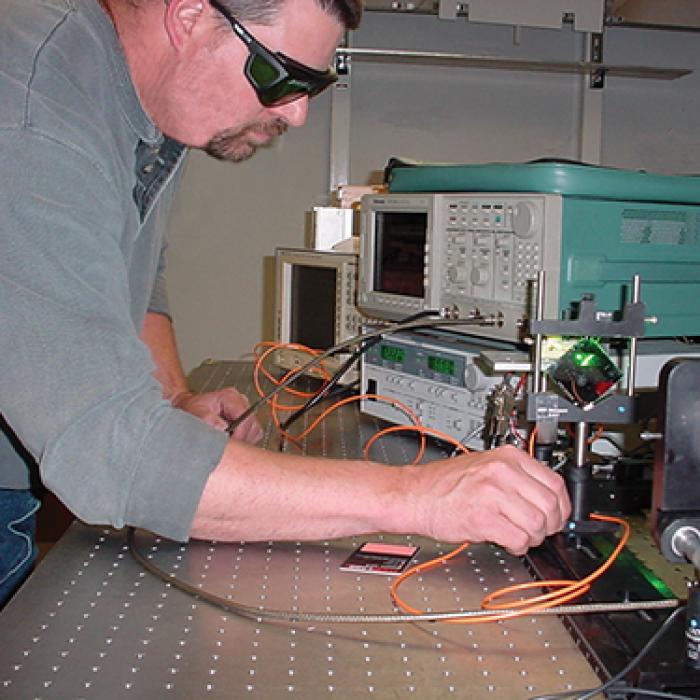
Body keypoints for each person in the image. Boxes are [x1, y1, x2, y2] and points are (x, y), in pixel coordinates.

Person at [0, 0, 571, 606]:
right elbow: (113, 454)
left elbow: (132, 272)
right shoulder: (32, 119)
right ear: (190, 15)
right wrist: (416, 496)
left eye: (315, 85)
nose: (297, 113)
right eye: (283, 76)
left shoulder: (140, 97)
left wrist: (170, 400)